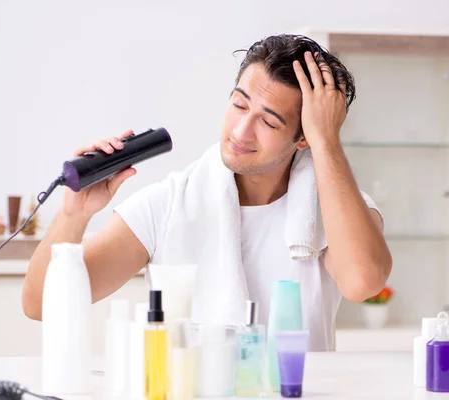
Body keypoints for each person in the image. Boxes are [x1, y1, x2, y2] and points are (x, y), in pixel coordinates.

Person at [22, 34, 392, 351]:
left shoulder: (337, 211)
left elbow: (362, 282)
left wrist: (326, 138)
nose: (241, 131)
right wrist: (74, 213)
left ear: (303, 137)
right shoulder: (168, 205)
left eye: (267, 120)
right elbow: (40, 304)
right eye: (239, 104)